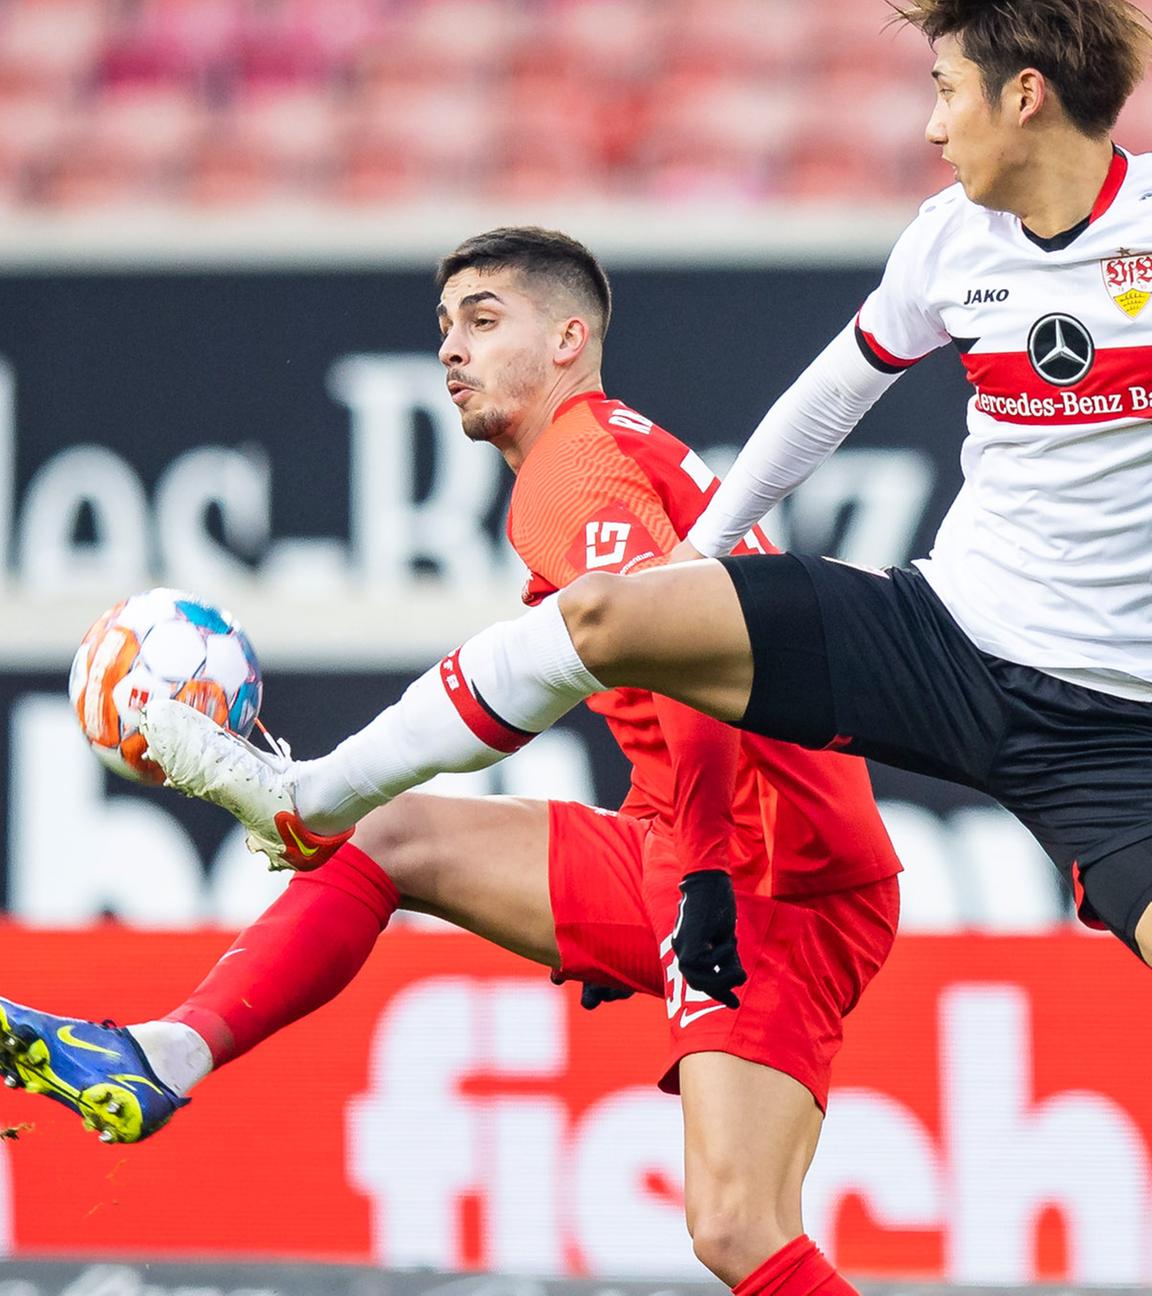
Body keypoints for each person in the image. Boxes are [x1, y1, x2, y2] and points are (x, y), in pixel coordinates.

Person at [139, 0, 1152, 971]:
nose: (932, 127)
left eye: (947, 92)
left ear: (1024, 96)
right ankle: (308, 795)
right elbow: (824, 403)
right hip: (944, 638)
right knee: (613, 613)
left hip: (1114, 734)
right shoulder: (949, 241)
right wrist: (695, 561)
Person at [2, 228, 901, 1296]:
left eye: (484, 321)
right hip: (701, 845)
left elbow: (684, 666)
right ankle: (163, 1056)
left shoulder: (575, 465)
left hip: (766, 877)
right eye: (445, 327)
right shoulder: (605, 454)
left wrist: (701, 883)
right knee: (392, 837)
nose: (452, 351)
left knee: (738, 1228)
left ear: (570, 339)